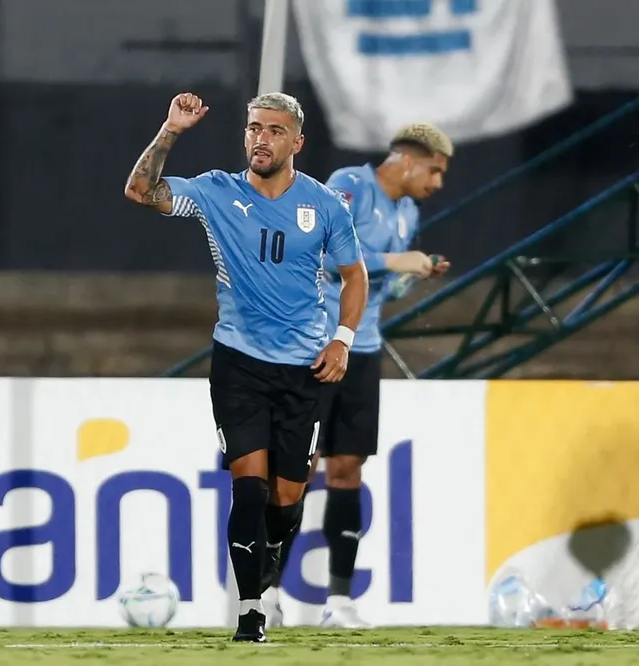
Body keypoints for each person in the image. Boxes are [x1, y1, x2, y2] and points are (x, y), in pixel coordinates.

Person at [124, 92, 368, 642]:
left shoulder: (326, 206)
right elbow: (140, 191)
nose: (261, 138)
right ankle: (251, 609)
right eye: (255, 128)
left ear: (297, 142)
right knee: (249, 490)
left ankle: (273, 559)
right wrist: (170, 131)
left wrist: (343, 340)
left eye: (275, 130)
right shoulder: (216, 191)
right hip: (238, 363)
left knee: (285, 501)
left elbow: (355, 276)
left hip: (303, 369)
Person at [262, 123, 454, 629]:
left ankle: (340, 601)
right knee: (294, 472)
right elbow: (321, 254)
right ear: (410, 161)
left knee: (348, 469)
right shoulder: (349, 183)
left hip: (364, 350)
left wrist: (411, 277)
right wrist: (397, 259)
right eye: (434, 171)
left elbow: (382, 291)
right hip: (317, 345)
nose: (437, 183)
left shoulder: (407, 213)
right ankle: (267, 592)